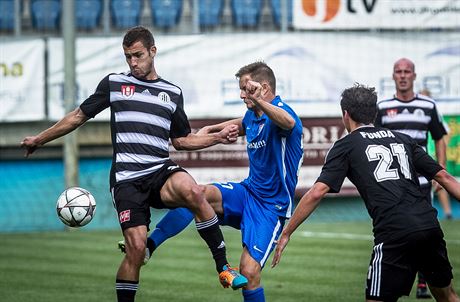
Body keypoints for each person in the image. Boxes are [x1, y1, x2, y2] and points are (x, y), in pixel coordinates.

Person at [20, 26, 247, 302]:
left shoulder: (171, 92)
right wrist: (40, 139)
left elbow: (182, 141)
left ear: (153, 51)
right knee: (137, 250)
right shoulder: (114, 84)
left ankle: (223, 267)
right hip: (127, 179)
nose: (133, 62)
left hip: (159, 171)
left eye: (138, 55)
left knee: (193, 191)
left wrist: (218, 139)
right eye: (128, 57)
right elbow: (78, 116)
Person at [119, 61, 304, 301]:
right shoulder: (252, 115)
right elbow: (240, 124)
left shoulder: (282, 114)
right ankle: (149, 246)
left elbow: (288, 123)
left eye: (245, 89)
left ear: (264, 87)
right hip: (248, 193)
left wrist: (258, 101)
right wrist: (210, 129)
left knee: (248, 273)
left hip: (271, 207)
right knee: (194, 194)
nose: (241, 94)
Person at [272, 84, 460, 302]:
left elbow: (316, 193)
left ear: (346, 115)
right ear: (374, 113)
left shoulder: (345, 146)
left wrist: (286, 232)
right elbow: (445, 177)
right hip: (429, 226)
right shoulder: (402, 139)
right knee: (448, 297)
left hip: (394, 233)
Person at [374, 58, 449, 299]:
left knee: (425, 232)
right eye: (399, 71)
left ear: (414, 76)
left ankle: (423, 281)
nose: (403, 75)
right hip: (393, 184)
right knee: (395, 231)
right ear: (393, 76)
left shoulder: (428, 105)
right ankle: (395, 281)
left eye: (407, 72)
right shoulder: (383, 107)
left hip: (422, 182)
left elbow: (439, 137)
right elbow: (372, 139)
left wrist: (440, 170)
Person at [419, 88, 453, 220]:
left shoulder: (433, 114)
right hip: (420, 154)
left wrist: (439, 153)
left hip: (432, 154)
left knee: (441, 180)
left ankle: (448, 212)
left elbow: (444, 134)